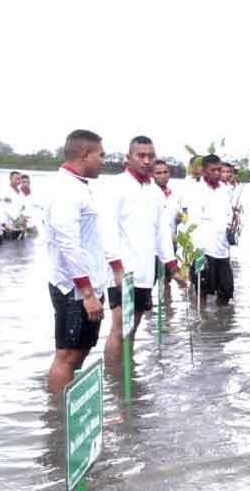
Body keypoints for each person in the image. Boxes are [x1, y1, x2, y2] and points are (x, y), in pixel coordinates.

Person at [100, 136, 188, 364]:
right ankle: (115, 380)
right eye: (141, 155)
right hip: (122, 272)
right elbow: (107, 230)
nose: (147, 161)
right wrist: (117, 268)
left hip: (145, 272)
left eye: (151, 156)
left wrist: (173, 268)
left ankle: (127, 374)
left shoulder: (155, 192)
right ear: (129, 158)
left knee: (133, 328)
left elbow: (162, 235)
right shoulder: (115, 186)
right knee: (119, 330)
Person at [46, 129, 108, 393]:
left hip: (88, 285)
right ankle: (58, 419)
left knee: (81, 351)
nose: (103, 161)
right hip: (73, 289)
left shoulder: (79, 186)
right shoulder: (65, 191)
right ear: (85, 154)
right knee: (68, 355)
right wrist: (86, 293)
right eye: (101, 155)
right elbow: (68, 244)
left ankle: (68, 417)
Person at [183, 154, 235, 306]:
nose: (217, 173)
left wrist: (232, 226)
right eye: (213, 170)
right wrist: (199, 253)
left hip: (222, 248)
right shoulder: (196, 191)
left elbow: (228, 214)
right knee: (203, 290)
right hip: (203, 250)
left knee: (226, 290)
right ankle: (203, 323)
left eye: (219, 170)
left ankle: (220, 323)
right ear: (204, 171)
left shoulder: (225, 189)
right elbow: (193, 224)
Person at [152, 160, 183, 239]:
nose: (163, 176)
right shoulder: (147, 195)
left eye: (165, 172)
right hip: (154, 243)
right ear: (151, 175)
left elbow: (176, 220)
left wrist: (179, 219)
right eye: (158, 173)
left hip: (173, 243)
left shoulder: (175, 195)